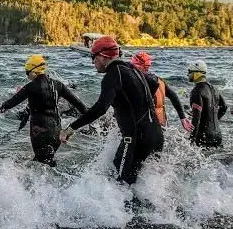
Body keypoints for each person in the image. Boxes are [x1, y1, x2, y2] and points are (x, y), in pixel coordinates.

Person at [59, 36, 163, 185]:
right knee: (139, 182)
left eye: (93, 57)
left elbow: (100, 108)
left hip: (135, 138)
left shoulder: (113, 74)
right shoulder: (133, 69)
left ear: (103, 56)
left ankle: (121, 209)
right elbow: (153, 83)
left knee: (121, 183)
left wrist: (71, 128)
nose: (92, 62)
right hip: (156, 135)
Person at [0, 54, 88, 166]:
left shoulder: (30, 87)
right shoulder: (58, 85)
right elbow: (80, 105)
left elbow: (13, 101)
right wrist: (89, 117)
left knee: (40, 164)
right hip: (56, 132)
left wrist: (2, 107)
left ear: (34, 72)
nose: (27, 76)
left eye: (27, 72)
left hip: (39, 132)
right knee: (47, 162)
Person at [130, 51, 187, 128]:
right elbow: (173, 96)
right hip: (162, 123)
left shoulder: (141, 81)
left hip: (149, 125)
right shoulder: (159, 80)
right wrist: (183, 118)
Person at [187, 60, 227, 148]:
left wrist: (191, 139)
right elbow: (224, 107)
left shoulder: (196, 91)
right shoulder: (214, 89)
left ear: (197, 73)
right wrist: (213, 120)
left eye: (189, 72)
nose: (187, 75)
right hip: (217, 135)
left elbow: (196, 119)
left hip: (204, 135)